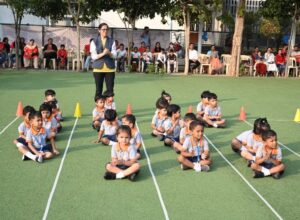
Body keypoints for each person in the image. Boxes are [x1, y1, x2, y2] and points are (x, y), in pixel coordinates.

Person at [90, 23, 117, 98]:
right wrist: (103, 53)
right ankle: (99, 108)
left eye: (106, 29)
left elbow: (115, 55)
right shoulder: (94, 41)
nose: (105, 31)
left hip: (110, 69)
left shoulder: (112, 41)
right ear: (99, 30)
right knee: (98, 90)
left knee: (110, 90)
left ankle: (110, 108)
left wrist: (109, 53)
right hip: (98, 69)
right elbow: (93, 56)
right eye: (103, 29)